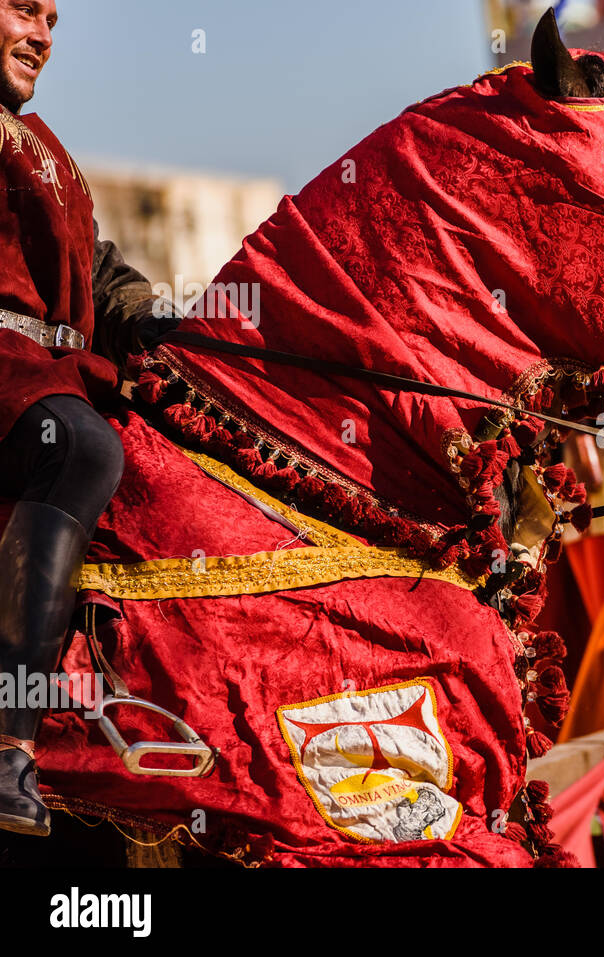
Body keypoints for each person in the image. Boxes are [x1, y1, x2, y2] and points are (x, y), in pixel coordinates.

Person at [0, 0, 180, 836]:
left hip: (55, 365)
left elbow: (96, 267)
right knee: (79, 445)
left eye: (53, 20)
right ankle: (9, 739)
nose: (41, 36)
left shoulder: (51, 154)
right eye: (22, 10)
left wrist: (151, 315)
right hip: (11, 373)